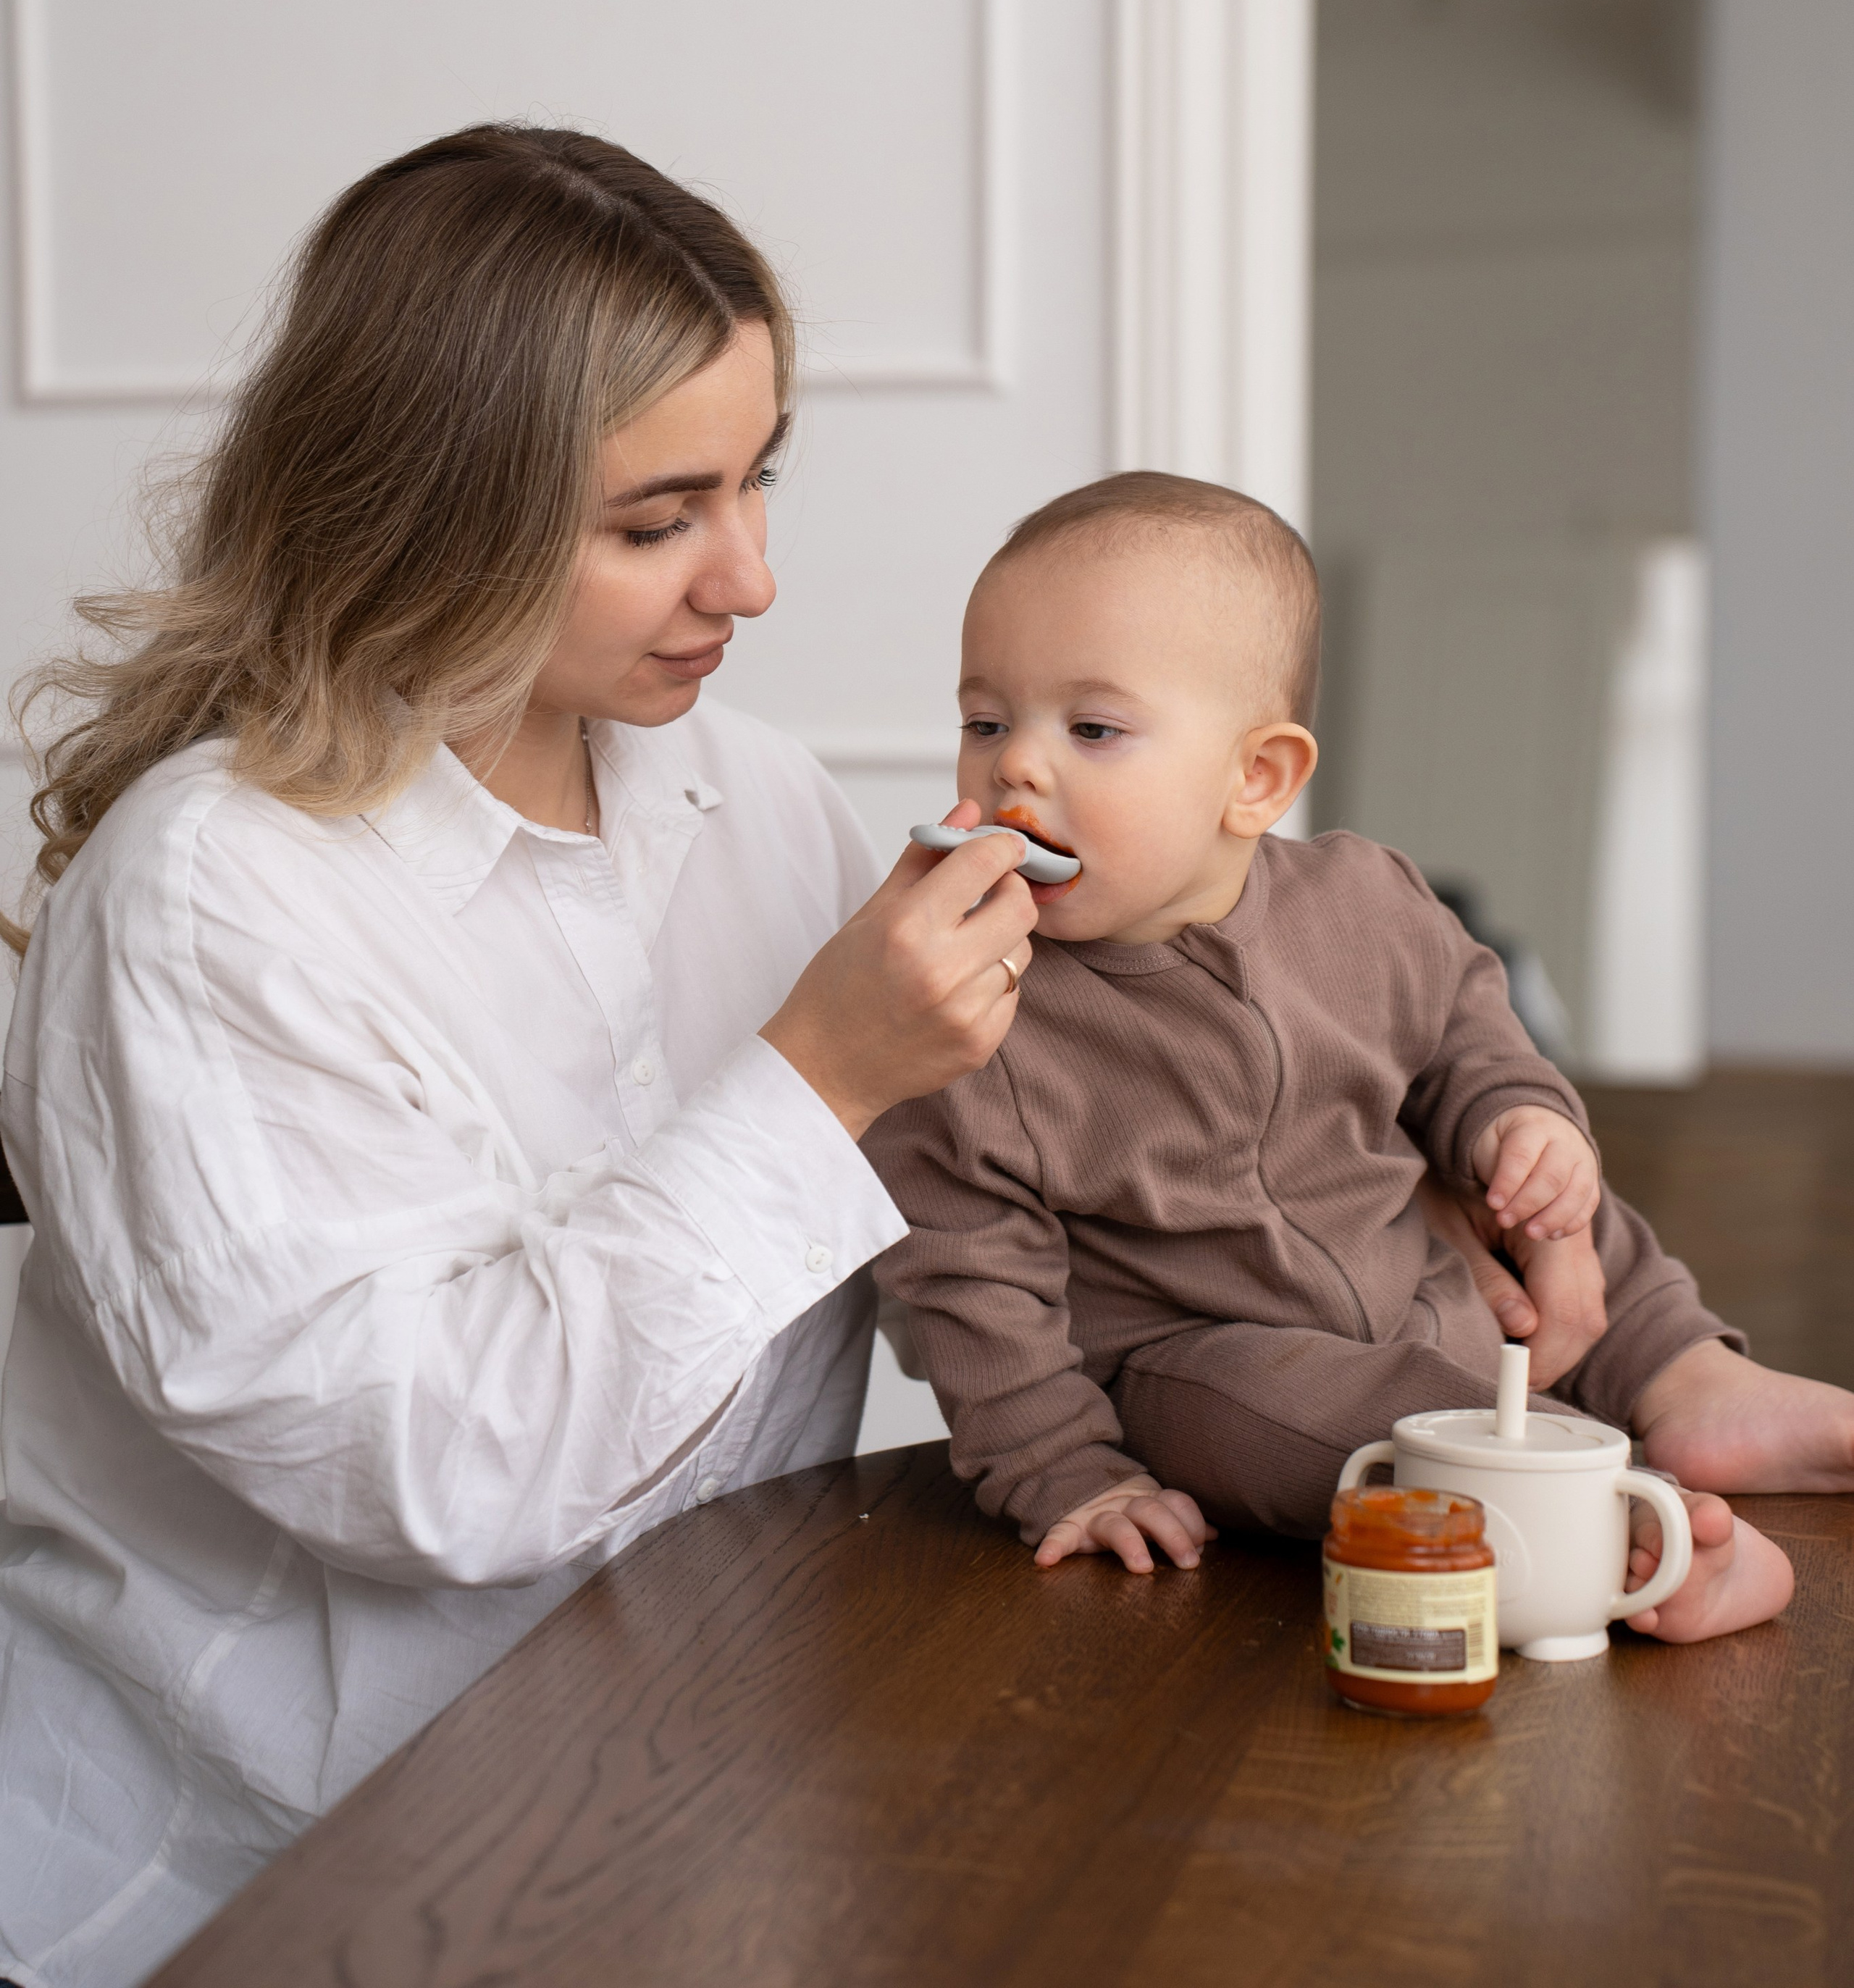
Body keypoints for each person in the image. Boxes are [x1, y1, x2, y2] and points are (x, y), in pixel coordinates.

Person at [0, 127, 1043, 1988]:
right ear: (436, 506)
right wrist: (815, 1078)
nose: (752, 579)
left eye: (756, 485)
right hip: (250, 1892)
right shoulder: (211, 897)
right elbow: (444, 1482)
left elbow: (1011, 1217)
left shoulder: (756, 798)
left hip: (677, 1813)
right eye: (658, 522)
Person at [868, 471, 1854, 1636]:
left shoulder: (1362, 899)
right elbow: (966, 1281)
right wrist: (1064, 1474)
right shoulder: (967, 1005)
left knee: (1572, 1208)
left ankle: (1688, 1379)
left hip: (1427, 1281)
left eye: (1091, 729)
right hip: (1210, 1355)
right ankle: (1621, 1519)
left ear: (1258, 778)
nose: (1015, 768)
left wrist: (1515, 1120)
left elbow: (1467, 1033)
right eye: (987, 721)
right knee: (1282, 1418)